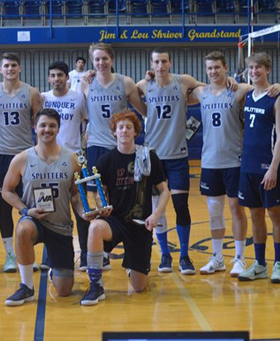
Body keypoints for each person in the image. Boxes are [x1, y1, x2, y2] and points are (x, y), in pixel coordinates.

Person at [81, 111, 170, 306]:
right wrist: (101, 207)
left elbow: (164, 191)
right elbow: (99, 193)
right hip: (115, 220)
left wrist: (156, 215)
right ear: (114, 132)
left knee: (139, 287)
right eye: (120, 127)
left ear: (135, 132)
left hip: (140, 224)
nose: (124, 131)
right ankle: (95, 285)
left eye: (129, 127)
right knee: (95, 227)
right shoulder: (105, 161)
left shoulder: (148, 156)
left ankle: (133, 268)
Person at [2, 109, 88, 306]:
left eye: (52, 126)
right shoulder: (22, 159)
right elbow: (7, 191)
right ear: (35, 128)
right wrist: (25, 210)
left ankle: (54, 269)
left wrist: (83, 212)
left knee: (64, 291)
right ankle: (26, 287)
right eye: (43, 125)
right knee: (23, 229)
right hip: (35, 220)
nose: (47, 129)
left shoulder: (72, 159)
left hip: (61, 226)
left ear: (58, 129)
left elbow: (76, 195)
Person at [136, 47, 204, 275]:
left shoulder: (183, 81)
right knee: (158, 208)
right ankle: (165, 254)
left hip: (177, 156)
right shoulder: (144, 85)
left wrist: (231, 82)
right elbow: (129, 92)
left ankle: (184, 255)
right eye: (156, 62)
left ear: (170, 62)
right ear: (151, 64)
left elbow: (206, 88)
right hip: (154, 156)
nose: (161, 65)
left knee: (181, 206)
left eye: (164, 61)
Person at [79, 42, 146, 270]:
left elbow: (143, 111)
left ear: (112, 60)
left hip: (120, 147)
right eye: (97, 59)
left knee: (126, 196)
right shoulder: (86, 84)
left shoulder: (125, 83)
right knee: (100, 197)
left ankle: (131, 247)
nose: (101, 63)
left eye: (104, 58)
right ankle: (104, 250)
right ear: (92, 62)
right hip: (96, 146)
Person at [189, 51, 254, 277]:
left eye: (217, 67)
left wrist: (274, 85)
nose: (213, 71)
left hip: (234, 160)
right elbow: (183, 83)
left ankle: (239, 258)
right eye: (209, 68)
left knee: (236, 208)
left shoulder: (237, 91)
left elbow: (259, 88)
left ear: (226, 67)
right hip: (210, 161)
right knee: (214, 211)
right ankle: (217, 258)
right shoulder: (201, 92)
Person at [236, 53, 280, 283]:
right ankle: (260, 264)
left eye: (258, 67)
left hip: (269, 166)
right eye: (251, 68)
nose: (254, 71)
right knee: (256, 215)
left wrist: (274, 168)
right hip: (248, 166)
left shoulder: (278, 98)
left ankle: (279, 263)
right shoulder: (247, 95)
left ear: (268, 69)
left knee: (275, 213)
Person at [0, 52, 41, 273]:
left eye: (13, 65)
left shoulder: (32, 93)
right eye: (6, 66)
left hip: (26, 155)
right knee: (4, 206)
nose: (10, 69)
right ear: (1, 69)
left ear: (20, 68)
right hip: (2, 155)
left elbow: (38, 124)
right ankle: (10, 254)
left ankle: (29, 253)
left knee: (30, 205)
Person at [40, 60, 88, 269]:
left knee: (81, 208)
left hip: (74, 160)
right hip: (48, 162)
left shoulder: (78, 98)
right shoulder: (43, 98)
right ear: (48, 78)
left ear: (68, 77)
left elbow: (88, 120)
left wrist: (84, 141)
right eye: (53, 75)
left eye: (60, 75)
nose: (56, 79)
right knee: (48, 210)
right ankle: (49, 257)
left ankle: (85, 254)